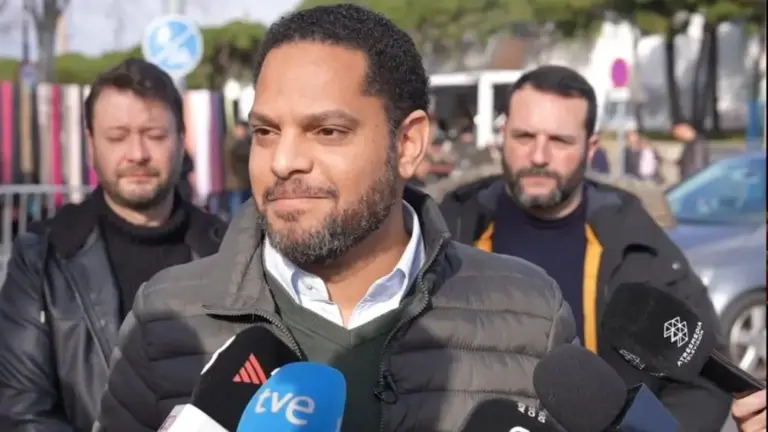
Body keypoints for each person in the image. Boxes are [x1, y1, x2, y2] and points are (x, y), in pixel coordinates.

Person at [95, 6, 577, 432]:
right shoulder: (166, 317)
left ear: (408, 144)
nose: (283, 161)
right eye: (265, 131)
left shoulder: (531, 316)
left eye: (327, 131)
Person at [439, 65, 732, 430]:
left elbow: (705, 375)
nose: (538, 156)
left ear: (590, 148)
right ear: (503, 136)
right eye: (524, 136)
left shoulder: (633, 238)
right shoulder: (450, 227)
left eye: (560, 141)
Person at [0, 58, 226, 431]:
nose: (137, 153)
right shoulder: (43, 257)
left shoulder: (231, 252)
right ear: (91, 144)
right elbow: (23, 412)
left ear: (181, 138)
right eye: (117, 136)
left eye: (155, 134)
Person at [223, 120, 252, 214]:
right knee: (237, 209)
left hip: (242, 182)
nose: (245, 132)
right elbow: (245, 153)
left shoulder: (239, 141)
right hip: (236, 183)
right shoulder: (233, 142)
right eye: (244, 129)